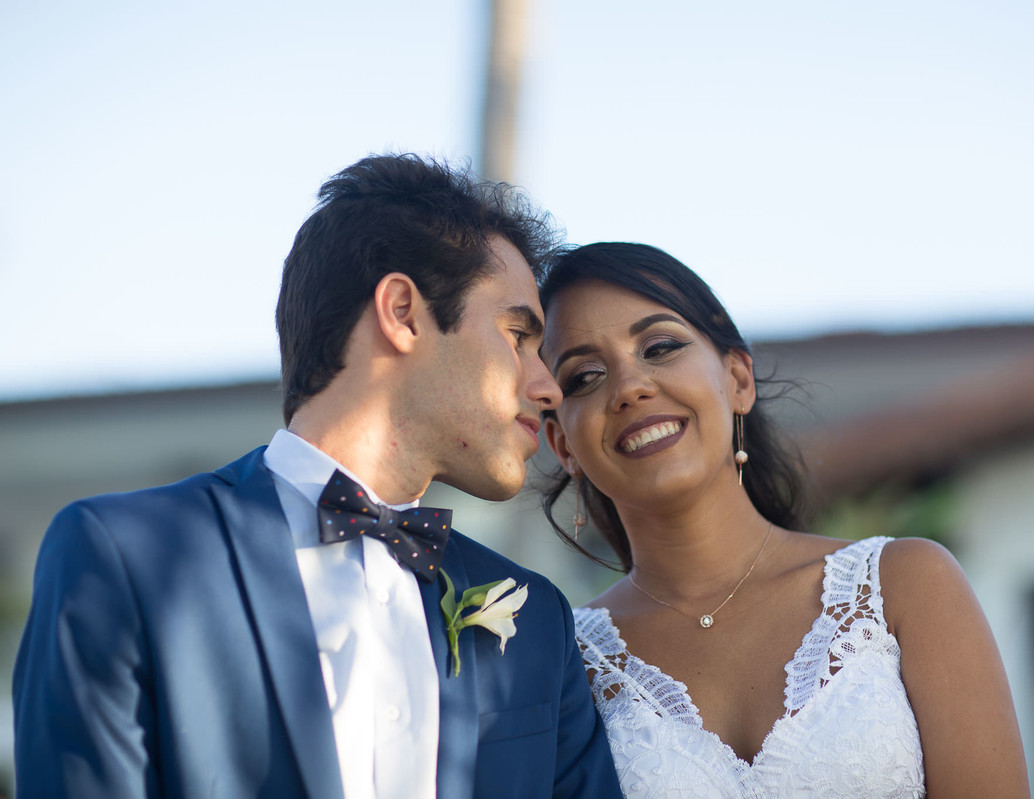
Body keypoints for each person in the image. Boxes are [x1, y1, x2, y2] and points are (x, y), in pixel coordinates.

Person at [13, 155, 622, 799]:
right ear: (403, 312)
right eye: (519, 334)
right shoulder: (126, 558)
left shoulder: (538, 621)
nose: (548, 387)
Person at [537, 242, 1030, 797]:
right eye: (583, 377)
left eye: (660, 346)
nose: (630, 387)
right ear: (563, 445)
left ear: (738, 380)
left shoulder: (906, 585)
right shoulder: (558, 663)